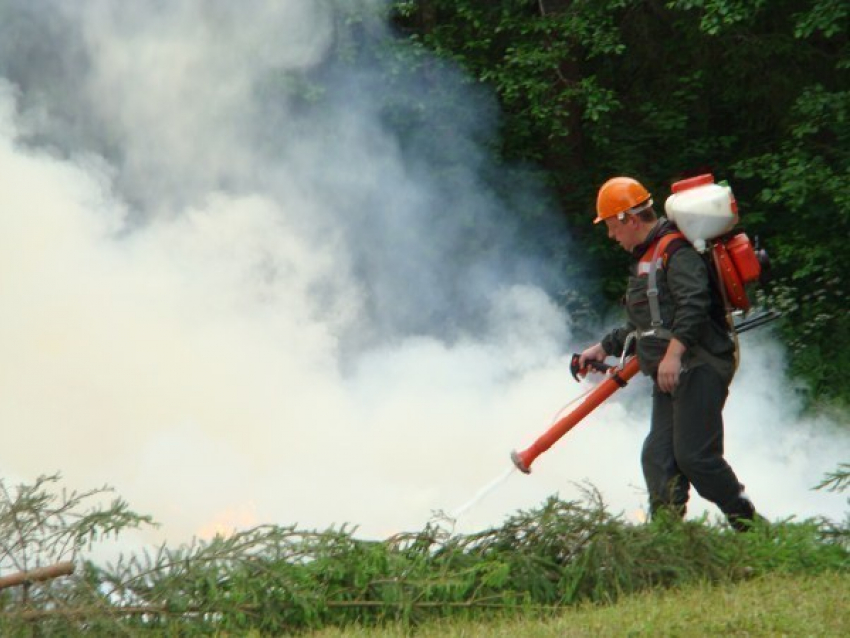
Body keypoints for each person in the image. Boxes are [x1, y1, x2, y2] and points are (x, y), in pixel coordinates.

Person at [578, 176, 758, 531]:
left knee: (695, 458)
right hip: (671, 372)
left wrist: (673, 355)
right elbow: (645, 324)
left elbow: (694, 304)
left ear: (630, 219)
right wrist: (602, 347)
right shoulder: (647, 258)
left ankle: (752, 527)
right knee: (659, 457)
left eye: (613, 227)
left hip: (699, 364)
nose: (612, 236)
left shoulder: (676, 252)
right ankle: (668, 540)